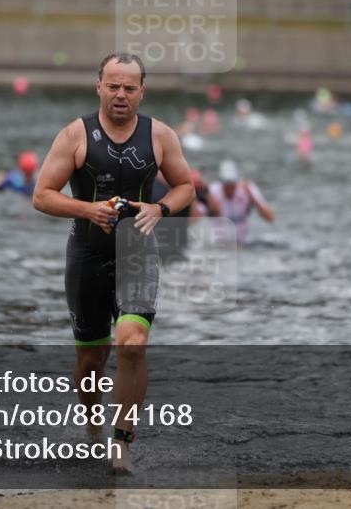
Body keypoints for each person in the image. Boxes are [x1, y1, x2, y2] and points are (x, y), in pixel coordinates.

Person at [32, 53, 194, 473]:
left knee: (133, 345)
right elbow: (43, 194)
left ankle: (121, 441)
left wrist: (160, 209)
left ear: (142, 91)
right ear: (98, 86)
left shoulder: (160, 135)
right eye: (113, 86)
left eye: (129, 87)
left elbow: (185, 187)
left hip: (137, 252)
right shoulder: (74, 135)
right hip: (87, 254)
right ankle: (91, 426)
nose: (121, 95)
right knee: (91, 361)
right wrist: (88, 210)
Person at [207, 160, 275, 246]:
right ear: (221, 183)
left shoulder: (247, 189)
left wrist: (252, 197)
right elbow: (194, 217)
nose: (230, 189)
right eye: (226, 185)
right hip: (219, 243)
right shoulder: (212, 192)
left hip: (243, 243)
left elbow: (270, 217)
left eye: (232, 185)